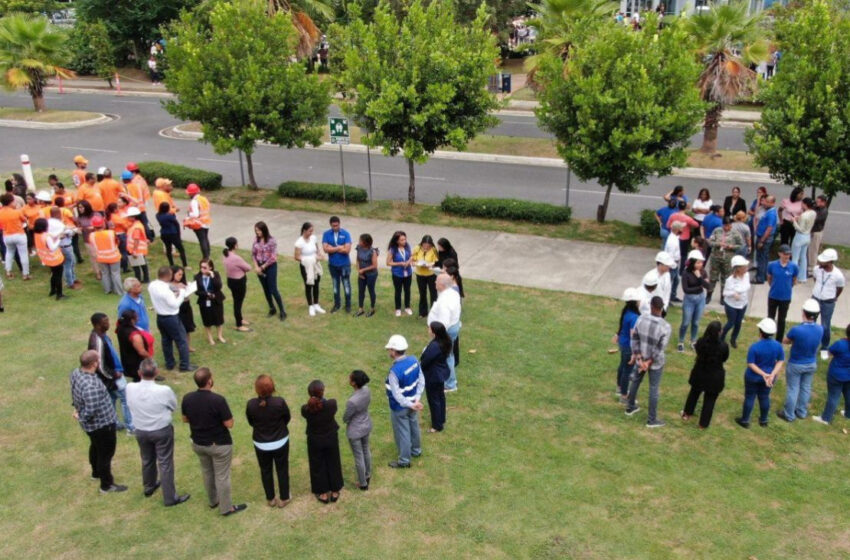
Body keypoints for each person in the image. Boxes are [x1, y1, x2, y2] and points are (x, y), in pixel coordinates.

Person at [181, 367, 246, 516]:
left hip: (198, 444)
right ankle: (226, 508)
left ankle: (213, 501)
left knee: (207, 472)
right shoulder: (218, 400)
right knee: (222, 476)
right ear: (209, 381)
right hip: (219, 445)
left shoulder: (187, 398)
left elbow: (185, 419)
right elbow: (229, 424)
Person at [126, 359, 190, 506]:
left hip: (141, 430)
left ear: (139, 373)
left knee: (147, 458)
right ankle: (169, 498)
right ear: (156, 372)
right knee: (165, 462)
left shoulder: (130, 387)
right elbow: (173, 406)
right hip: (161, 430)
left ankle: (149, 486)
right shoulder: (164, 391)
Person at [70, 350, 127, 493]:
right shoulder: (91, 386)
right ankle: (106, 485)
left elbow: (76, 394)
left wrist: (77, 410)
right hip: (102, 425)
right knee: (105, 454)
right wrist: (80, 416)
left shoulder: (76, 373)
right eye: (98, 360)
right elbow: (91, 409)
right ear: (94, 363)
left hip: (93, 427)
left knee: (95, 447)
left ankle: (95, 472)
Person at [625, 296, 671, 428]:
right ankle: (651, 420)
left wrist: (639, 358)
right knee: (653, 389)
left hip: (641, 358)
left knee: (635, 381)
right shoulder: (665, 327)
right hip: (655, 363)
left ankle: (630, 407)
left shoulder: (641, 319)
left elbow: (635, 338)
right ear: (662, 308)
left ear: (651, 306)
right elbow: (659, 349)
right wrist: (648, 362)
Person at [246, 374, 291, 508]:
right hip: (280, 442)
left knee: (265, 470)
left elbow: (251, 422)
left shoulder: (251, 404)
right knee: (282, 469)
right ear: (272, 387)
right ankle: (284, 498)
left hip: (262, 443)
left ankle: (270, 498)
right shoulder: (279, 402)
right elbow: (287, 418)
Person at [778, 299, 823, 423]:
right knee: (805, 387)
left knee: (793, 388)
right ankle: (801, 411)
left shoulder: (796, 330)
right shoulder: (820, 329)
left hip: (796, 363)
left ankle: (789, 414)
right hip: (811, 363)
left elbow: (786, 340)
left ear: (804, 312)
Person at [88, 312, 134, 434]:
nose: (108, 324)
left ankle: (114, 423)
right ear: (97, 325)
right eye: (105, 322)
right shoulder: (98, 341)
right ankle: (131, 427)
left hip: (111, 375)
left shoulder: (102, 335)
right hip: (112, 376)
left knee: (111, 399)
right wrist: (114, 375)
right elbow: (100, 365)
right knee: (126, 399)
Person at [735, 318, 785, 428]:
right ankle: (763, 421)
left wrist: (763, 374)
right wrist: (772, 374)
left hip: (753, 377)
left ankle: (745, 420)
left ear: (761, 332)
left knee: (750, 397)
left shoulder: (755, 347)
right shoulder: (778, 346)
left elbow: (751, 364)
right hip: (769, 379)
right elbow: (781, 360)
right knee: (764, 397)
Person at [384, 335, 424, 468]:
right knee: (414, 426)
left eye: (390, 349)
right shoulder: (414, 360)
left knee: (403, 433)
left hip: (400, 407)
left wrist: (410, 403)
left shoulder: (394, 372)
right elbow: (421, 380)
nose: (389, 351)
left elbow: (397, 395)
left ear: (394, 351)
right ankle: (416, 450)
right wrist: (416, 399)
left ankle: (404, 460)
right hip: (413, 402)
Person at [301, 380, 344, 503]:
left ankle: (322, 492)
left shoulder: (305, 409)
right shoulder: (331, 404)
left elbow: (311, 409)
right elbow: (326, 405)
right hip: (330, 438)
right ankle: (335, 491)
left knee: (317, 465)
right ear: (322, 392)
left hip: (315, 440)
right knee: (333, 462)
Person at [681, 321, 729, 429]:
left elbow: (698, 352)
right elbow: (725, 358)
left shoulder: (700, 342)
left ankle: (687, 413)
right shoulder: (723, 346)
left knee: (694, 393)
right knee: (710, 400)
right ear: (719, 332)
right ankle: (703, 424)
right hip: (715, 376)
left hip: (700, 372)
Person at [148, 266, 194, 372]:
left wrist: (175, 291)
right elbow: (175, 304)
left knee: (166, 341)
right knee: (182, 340)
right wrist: (182, 292)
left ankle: (170, 363)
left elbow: (166, 292)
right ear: (168, 276)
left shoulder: (152, 285)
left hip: (160, 317)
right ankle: (184, 365)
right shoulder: (165, 290)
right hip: (171, 317)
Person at [428, 273, 462, 392]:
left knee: (446, 356)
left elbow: (443, 323)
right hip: (454, 326)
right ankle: (449, 381)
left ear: (441, 285)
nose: (434, 283)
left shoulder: (445, 302)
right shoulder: (452, 292)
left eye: (436, 281)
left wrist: (435, 334)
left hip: (446, 331)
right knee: (448, 355)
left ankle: (450, 384)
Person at [813, 323, 850, 425]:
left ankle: (826, 418)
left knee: (833, 396)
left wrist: (820, 355)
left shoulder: (840, 344)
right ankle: (848, 413)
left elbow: (827, 353)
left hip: (836, 375)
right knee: (848, 394)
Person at [812, 248, 845, 361]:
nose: (820, 263)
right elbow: (815, 279)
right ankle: (811, 345)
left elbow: (840, 288)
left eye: (823, 261)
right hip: (815, 298)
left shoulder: (838, 275)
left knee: (825, 326)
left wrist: (833, 297)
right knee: (811, 323)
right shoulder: (817, 269)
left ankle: (824, 348)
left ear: (830, 262)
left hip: (828, 302)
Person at [342, 370, 372, 491]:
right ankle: (368, 474)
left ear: (354, 383)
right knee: (366, 450)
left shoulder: (352, 401)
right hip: (366, 425)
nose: (348, 378)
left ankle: (363, 483)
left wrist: (345, 420)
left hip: (355, 431)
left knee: (358, 456)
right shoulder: (367, 390)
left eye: (350, 378)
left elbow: (346, 417)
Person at [252, 221, 286, 321]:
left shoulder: (272, 240)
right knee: (266, 289)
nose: (257, 232)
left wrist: (262, 267)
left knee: (273, 289)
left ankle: (282, 311)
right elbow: (253, 254)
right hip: (259, 265)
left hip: (270, 266)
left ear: (264, 230)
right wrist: (256, 266)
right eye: (256, 230)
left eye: (258, 230)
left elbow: (273, 257)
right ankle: (272, 308)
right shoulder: (256, 240)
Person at [421, 322, 451, 432]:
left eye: (429, 328)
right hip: (441, 374)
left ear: (434, 332)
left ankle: (437, 425)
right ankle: (441, 419)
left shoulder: (435, 346)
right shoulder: (444, 341)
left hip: (433, 376)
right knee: (440, 397)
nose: (428, 330)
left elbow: (426, 360)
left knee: (434, 400)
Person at [707, 217, 743, 304]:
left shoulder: (735, 233)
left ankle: (723, 297)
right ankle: (709, 295)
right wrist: (718, 244)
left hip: (727, 259)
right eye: (725, 225)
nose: (727, 227)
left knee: (726, 278)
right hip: (716, 258)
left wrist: (732, 247)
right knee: (713, 277)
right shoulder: (717, 231)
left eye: (729, 225)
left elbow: (740, 245)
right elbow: (710, 242)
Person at [614, 288, 641, 401]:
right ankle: (624, 396)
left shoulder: (626, 312)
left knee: (622, 366)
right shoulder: (634, 317)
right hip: (628, 346)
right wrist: (636, 351)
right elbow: (633, 336)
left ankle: (619, 388)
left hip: (623, 343)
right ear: (635, 302)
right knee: (627, 370)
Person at [767, 244, 798, 342]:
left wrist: (788, 287)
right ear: (779, 254)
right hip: (773, 296)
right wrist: (774, 286)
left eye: (788, 254)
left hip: (785, 298)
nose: (787, 256)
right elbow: (769, 278)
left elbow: (794, 280)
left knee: (782, 319)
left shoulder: (793, 266)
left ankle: (778, 340)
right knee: (770, 317)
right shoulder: (772, 265)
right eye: (785, 254)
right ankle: (768, 336)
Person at [322, 216, 352, 313]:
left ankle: (348, 305)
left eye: (337, 225)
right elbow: (325, 249)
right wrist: (339, 247)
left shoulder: (346, 234)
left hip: (344, 265)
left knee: (346, 284)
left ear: (339, 223)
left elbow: (347, 250)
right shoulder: (326, 234)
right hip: (333, 265)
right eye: (333, 226)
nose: (335, 227)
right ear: (330, 225)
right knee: (335, 285)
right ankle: (337, 304)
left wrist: (333, 248)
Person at [294, 222, 326, 317]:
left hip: (315, 264)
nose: (311, 233)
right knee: (309, 284)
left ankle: (316, 304)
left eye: (312, 231)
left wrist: (319, 255)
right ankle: (310, 306)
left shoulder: (313, 238)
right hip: (306, 266)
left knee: (316, 283)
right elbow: (296, 257)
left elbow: (317, 249)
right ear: (304, 230)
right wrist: (309, 260)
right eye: (310, 231)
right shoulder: (299, 242)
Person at [115, 309, 154, 382]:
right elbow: (141, 351)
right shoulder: (134, 335)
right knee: (140, 378)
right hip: (136, 362)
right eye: (136, 317)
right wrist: (150, 359)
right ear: (132, 320)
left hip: (127, 357)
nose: (138, 318)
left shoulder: (120, 327)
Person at [222, 237, 252, 332]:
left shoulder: (226, 255)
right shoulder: (236, 258)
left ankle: (240, 319)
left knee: (237, 301)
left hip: (231, 281)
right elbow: (248, 268)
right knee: (238, 303)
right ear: (235, 245)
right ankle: (239, 324)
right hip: (239, 282)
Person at [194, 258, 226, 346]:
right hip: (204, 301)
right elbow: (196, 291)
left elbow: (219, 287)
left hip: (216, 300)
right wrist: (206, 293)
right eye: (201, 267)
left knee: (219, 319)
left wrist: (212, 276)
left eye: (205, 267)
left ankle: (220, 336)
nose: (202, 269)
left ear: (210, 267)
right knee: (207, 320)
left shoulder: (215, 274)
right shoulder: (197, 277)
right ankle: (210, 338)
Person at [721, 255, 750, 348]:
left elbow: (747, 286)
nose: (746, 268)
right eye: (744, 267)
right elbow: (725, 292)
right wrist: (733, 294)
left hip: (743, 304)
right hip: (731, 305)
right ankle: (721, 337)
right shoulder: (730, 280)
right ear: (738, 269)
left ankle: (733, 339)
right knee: (731, 322)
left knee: (738, 323)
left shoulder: (747, 275)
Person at [90, 215, 124, 295]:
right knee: (115, 273)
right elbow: (117, 242)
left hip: (101, 257)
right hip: (113, 256)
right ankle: (119, 291)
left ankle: (107, 290)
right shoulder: (111, 233)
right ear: (103, 224)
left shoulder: (92, 235)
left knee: (105, 273)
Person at [33, 218, 65, 300]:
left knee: (53, 274)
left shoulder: (37, 234)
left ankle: (53, 290)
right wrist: (59, 239)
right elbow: (52, 248)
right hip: (55, 259)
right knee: (58, 276)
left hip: (46, 258)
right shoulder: (46, 237)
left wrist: (57, 236)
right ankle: (59, 294)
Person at [0, 193, 30, 280]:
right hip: (19, 235)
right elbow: (25, 220)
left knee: (9, 253)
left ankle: (8, 271)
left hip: (7, 236)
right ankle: (25, 274)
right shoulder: (17, 212)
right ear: (10, 202)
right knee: (23, 254)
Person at [666, 200, 699, 273]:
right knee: (683, 255)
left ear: (678, 207)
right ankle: (681, 270)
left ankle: (672, 268)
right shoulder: (687, 218)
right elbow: (696, 225)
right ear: (685, 208)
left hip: (674, 236)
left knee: (673, 253)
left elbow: (668, 225)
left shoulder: (673, 216)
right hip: (684, 238)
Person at [171, 266, 197, 353]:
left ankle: (188, 346)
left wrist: (187, 290)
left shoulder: (183, 283)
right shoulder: (169, 285)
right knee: (178, 329)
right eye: (179, 274)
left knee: (187, 328)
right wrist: (178, 290)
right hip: (177, 309)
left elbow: (187, 297)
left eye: (182, 275)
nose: (180, 277)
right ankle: (179, 347)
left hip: (186, 307)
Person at [387, 231, 414, 316]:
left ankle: (407, 307)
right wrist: (400, 263)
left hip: (408, 273)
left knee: (407, 290)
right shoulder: (393, 250)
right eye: (402, 240)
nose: (404, 241)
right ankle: (398, 308)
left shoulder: (407, 246)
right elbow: (388, 263)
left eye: (405, 239)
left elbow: (411, 256)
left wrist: (409, 261)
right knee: (398, 291)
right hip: (397, 273)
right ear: (397, 241)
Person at [754, 195, 778, 284]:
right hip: (762, 236)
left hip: (765, 238)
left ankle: (760, 278)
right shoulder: (768, 211)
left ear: (772, 203)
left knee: (762, 258)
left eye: (768, 202)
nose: (765, 203)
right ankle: (763, 275)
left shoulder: (771, 214)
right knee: (763, 257)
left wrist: (762, 241)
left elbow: (769, 228)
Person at [413, 235, 439, 317]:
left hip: (431, 275)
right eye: (424, 245)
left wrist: (430, 264)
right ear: (422, 243)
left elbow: (436, 262)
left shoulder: (434, 250)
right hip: (420, 275)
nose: (426, 247)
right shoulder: (417, 248)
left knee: (433, 294)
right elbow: (413, 259)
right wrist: (416, 263)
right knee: (422, 293)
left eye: (428, 246)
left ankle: (434, 313)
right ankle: (422, 312)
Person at [790, 197, 815, 282]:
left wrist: (794, 221)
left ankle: (793, 277)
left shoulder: (804, 215)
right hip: (807, 236)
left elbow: (800, 229)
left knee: (795, 257)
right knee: (803, 257)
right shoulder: (813, 213)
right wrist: (799, 218)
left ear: (805, 204)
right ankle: (802, 277)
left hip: (800, 236)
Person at [156, 201, 187, 268]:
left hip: (164, 233)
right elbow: (177, 224)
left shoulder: (158, 215)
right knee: (181, 249)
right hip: (173, 233)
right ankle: (185, 265)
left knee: (168, 249)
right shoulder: (169, 216)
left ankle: (171, 264)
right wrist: (179, 235)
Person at [355, 233, 379, 317]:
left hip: (371, 274)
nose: (359, 241)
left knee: (371, 290)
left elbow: (374, 265)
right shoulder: (359, 248)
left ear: (365, 242)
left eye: (360, 240)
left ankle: (372, 309)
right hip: (361, 274)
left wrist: (363, 270)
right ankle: (360, 309)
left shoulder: (373, 251)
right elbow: (358, 260)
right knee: (361, 291)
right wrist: (359, 271)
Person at [186, 183, 211, 259]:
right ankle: (208, 255)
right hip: (206, 222)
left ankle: (205, 257)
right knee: (206, 239)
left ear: (191, 193)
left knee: (202, 240)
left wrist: (189, 215)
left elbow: (195, 214)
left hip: (199, 223)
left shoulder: (194, 201)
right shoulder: (203, 199)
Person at [126, 207, 150, 284]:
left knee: (137, 266)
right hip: (139, 249)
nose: (127, 218)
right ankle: (145, 278)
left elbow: (136, 239)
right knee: (143, 264)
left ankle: (138, 279)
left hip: (137, 249)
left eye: (129, 216)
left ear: (134, 217)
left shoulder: (136, 227)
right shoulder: (137, 224)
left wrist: (134, 250)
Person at [807, 195, 829, 278]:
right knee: (809, 250)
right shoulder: (816, 208)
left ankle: (812, 269)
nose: (816, 203)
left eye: (818, 201)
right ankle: (808, 267)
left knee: (813, 250)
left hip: (816, 232)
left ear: (823, 202)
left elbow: (816, 219)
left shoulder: (824, 211)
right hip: (811, 231)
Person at [663, 222, 683, 303]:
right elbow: (670, 255)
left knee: (676, 281)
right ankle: (667, 299)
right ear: (677, 229)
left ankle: (672, 296)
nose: (682, 230)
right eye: (681, 229)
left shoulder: (674, 237)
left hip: (674, 264)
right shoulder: (672, 241)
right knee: (669, 282)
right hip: (671, 265)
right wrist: (671, 265)